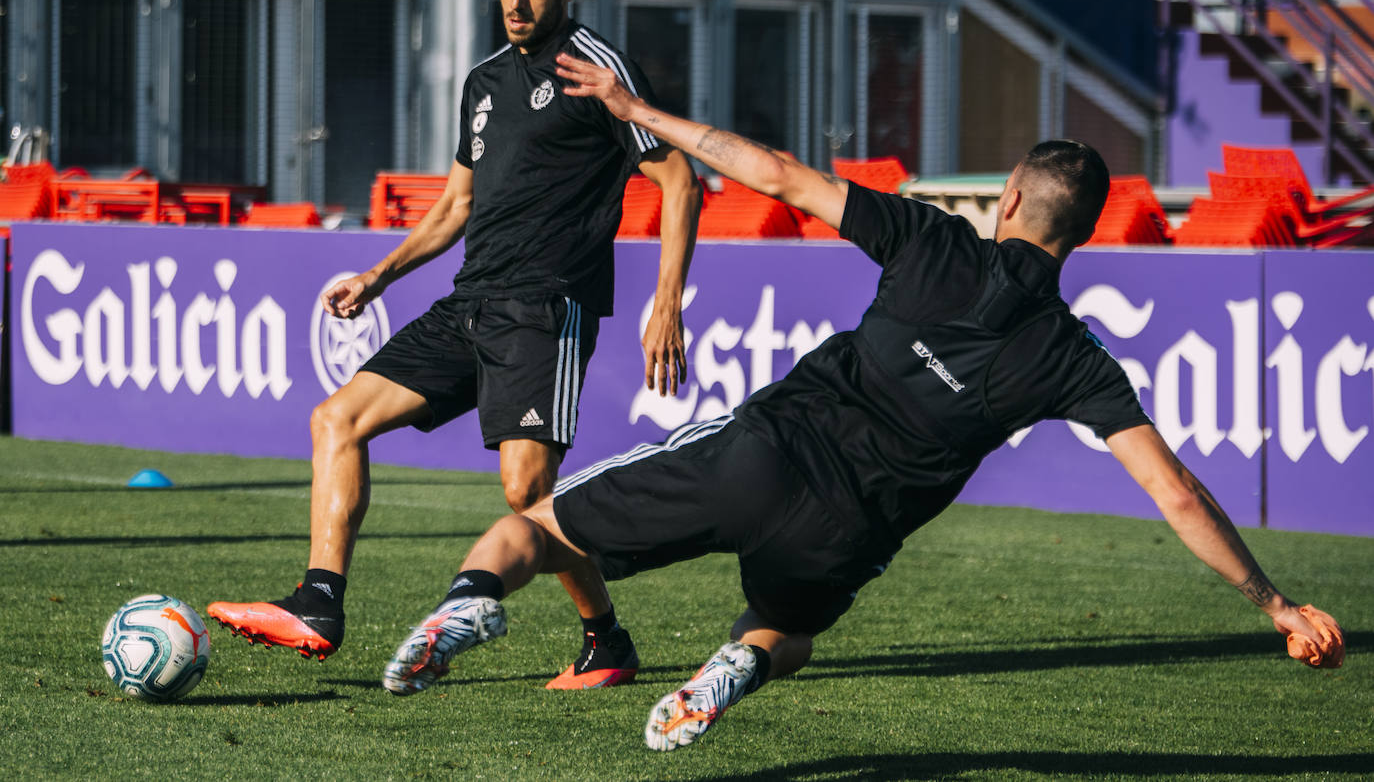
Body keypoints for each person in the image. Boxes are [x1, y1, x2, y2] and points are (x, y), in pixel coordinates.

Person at [374, 54, 1346, 749]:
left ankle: (469, 605)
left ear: (1006, 201)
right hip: (850, 528)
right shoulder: (1074, 358)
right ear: (1082, 235)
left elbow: (776, 174)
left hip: (764, 450)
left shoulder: (932, 240)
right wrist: (1275, 602)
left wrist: (638, 109)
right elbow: (1174, 490)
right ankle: (737, 664)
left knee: (534, 529)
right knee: (787, 624)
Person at [207, 0, 702, 691]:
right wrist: (377, 277)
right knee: (335, 418)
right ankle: (318, 604)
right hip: (469, 304)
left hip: (545, 309)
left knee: (527, 494)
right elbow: (452, 207)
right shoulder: (486, 81)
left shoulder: (599, 69)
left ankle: (604, 639)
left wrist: (666, 301)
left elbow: (679, 178)